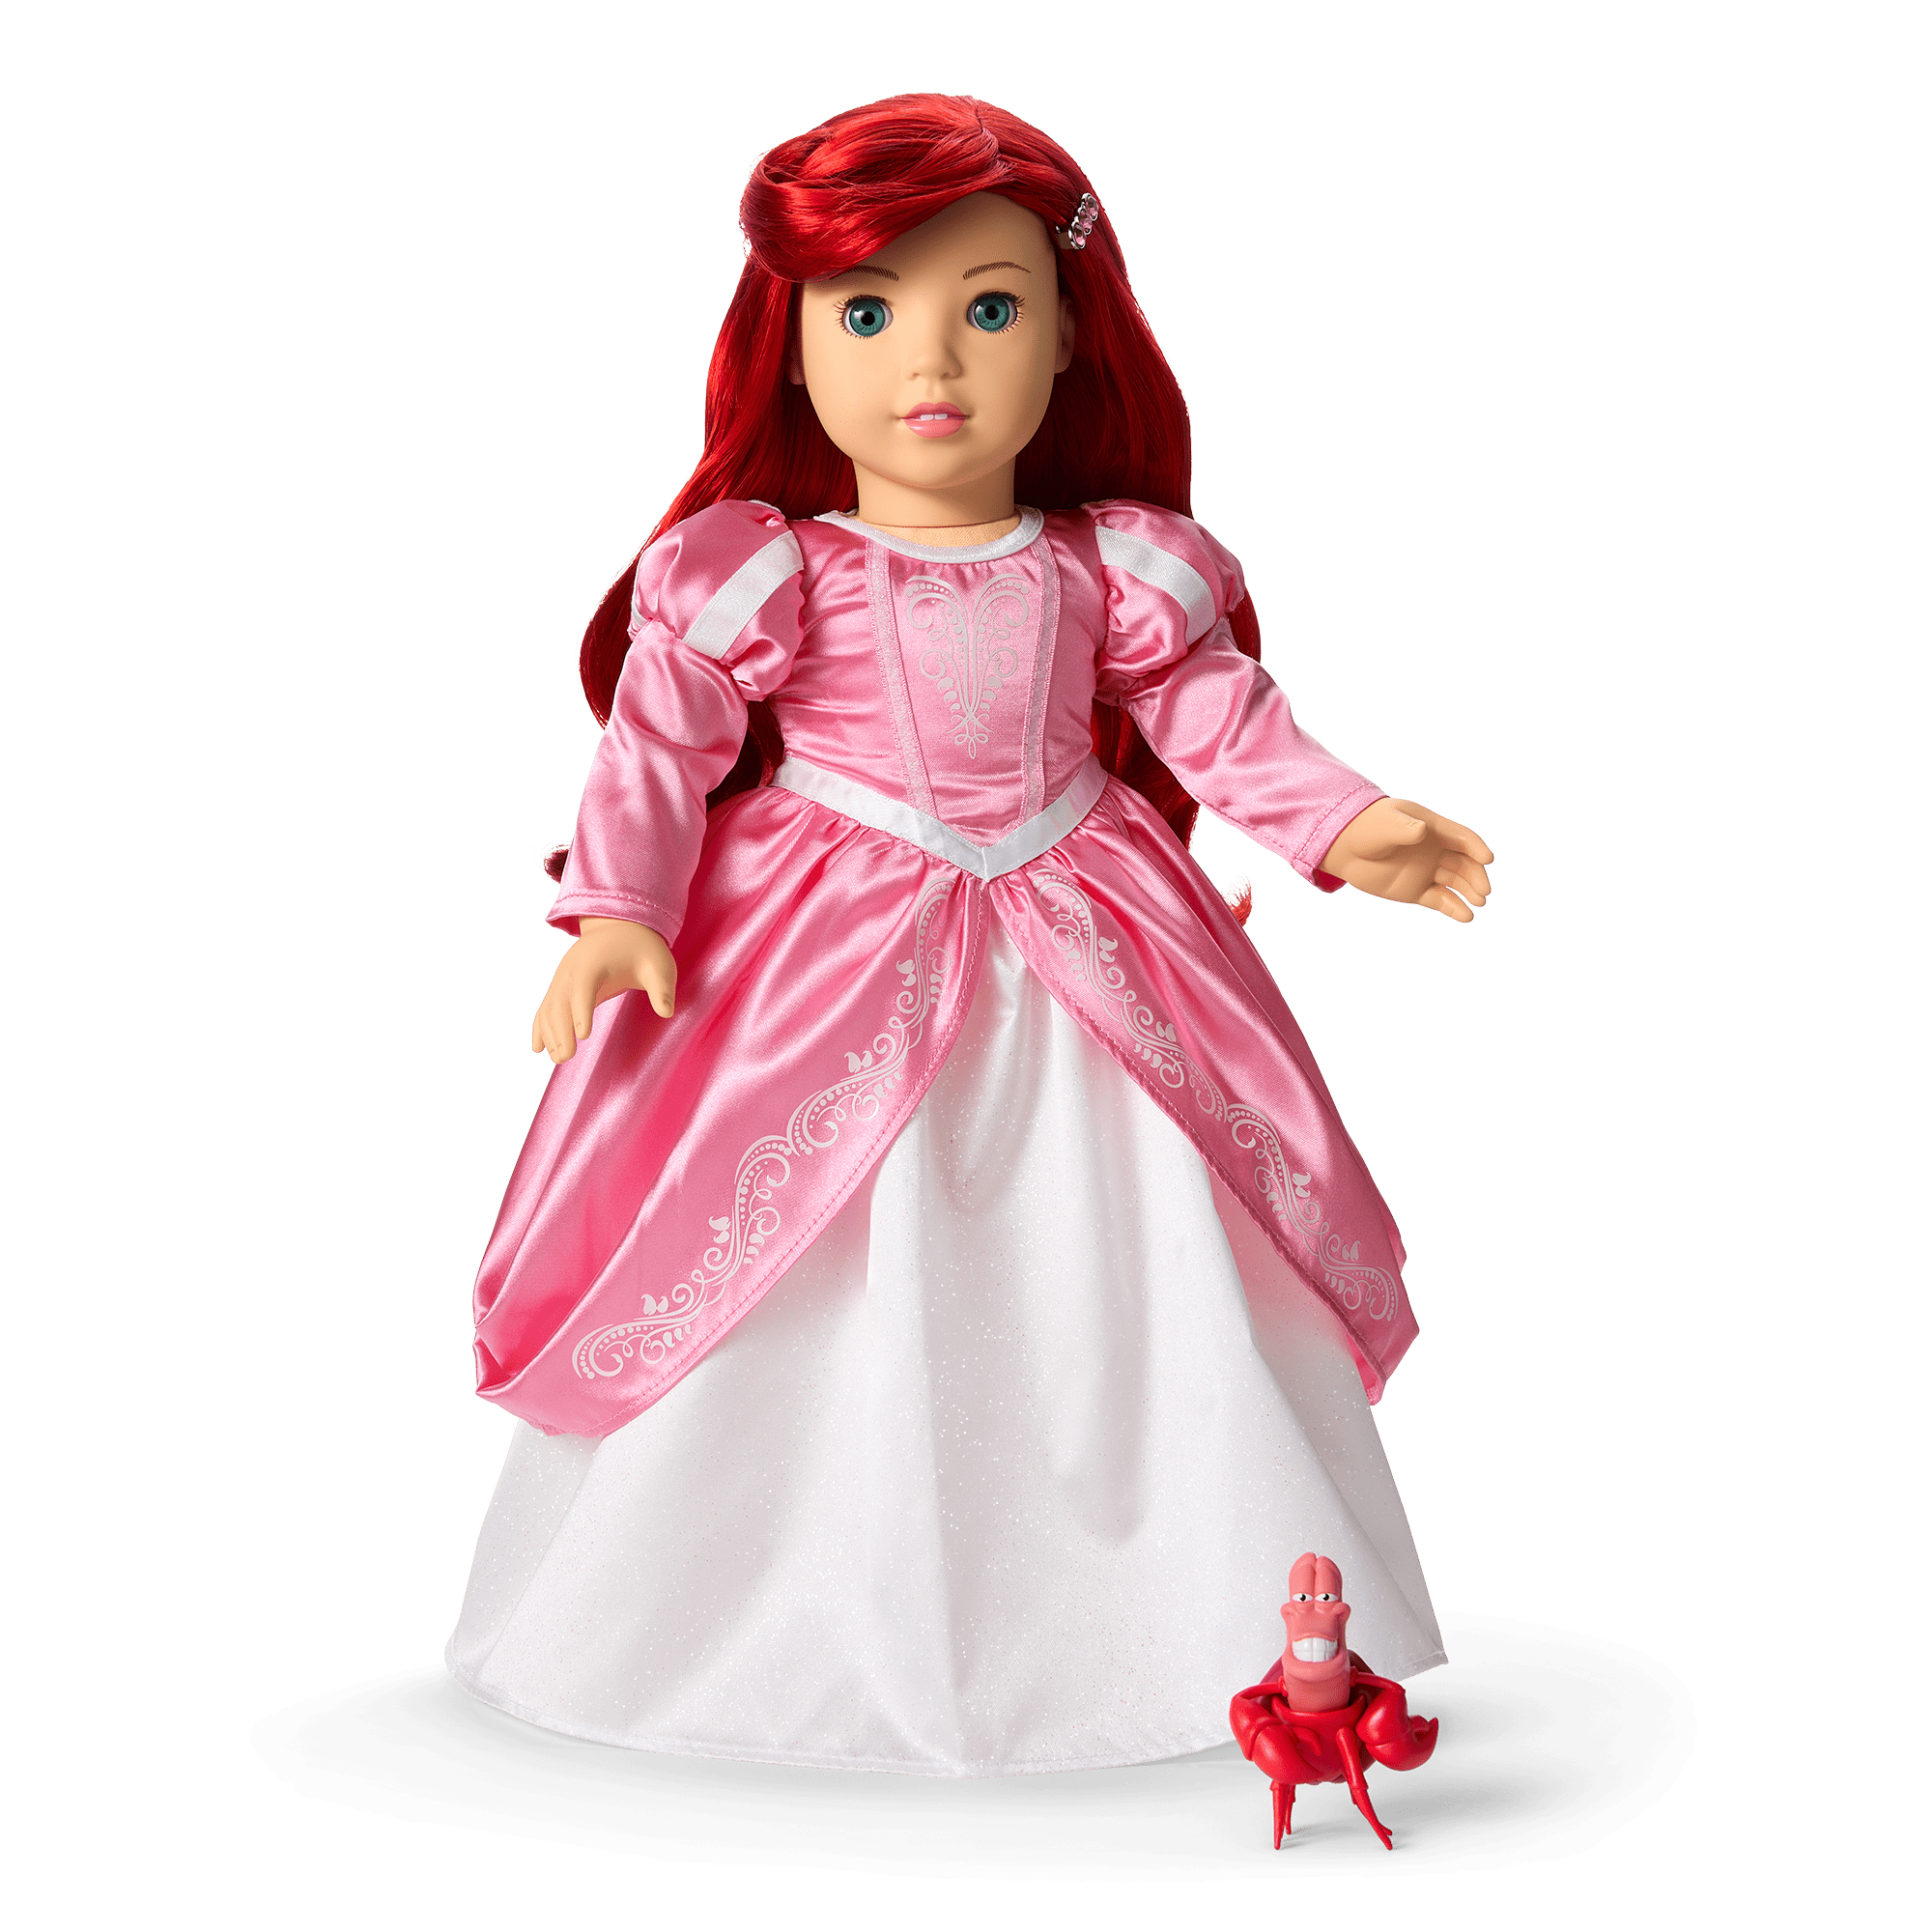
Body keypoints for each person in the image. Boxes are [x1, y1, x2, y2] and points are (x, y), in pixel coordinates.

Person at [445, 94, 1494, 1778]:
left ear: (1069, 335)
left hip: (1089, 932)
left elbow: (1213, 715)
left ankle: (1160, 1611)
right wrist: (623, 909)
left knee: (1132, 1254)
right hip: (818, 946)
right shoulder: (762, 570)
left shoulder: (1113, 566)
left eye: (989, 307)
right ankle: (744, 1627)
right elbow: (662, 740)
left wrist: (1343, 819)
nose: (929, 361)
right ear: (792, 348)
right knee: (789, 1244)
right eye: (867, 314)